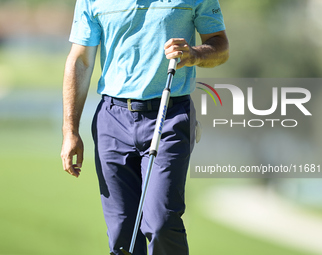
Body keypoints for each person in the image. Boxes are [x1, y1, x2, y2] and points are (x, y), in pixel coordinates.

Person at [61, 0, 229, 254]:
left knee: (162, 223)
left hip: (169, 114)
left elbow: (220, 45)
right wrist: (70, 130)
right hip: (112, 119)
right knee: (121, 236)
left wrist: (194, 54)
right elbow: (81, 60)